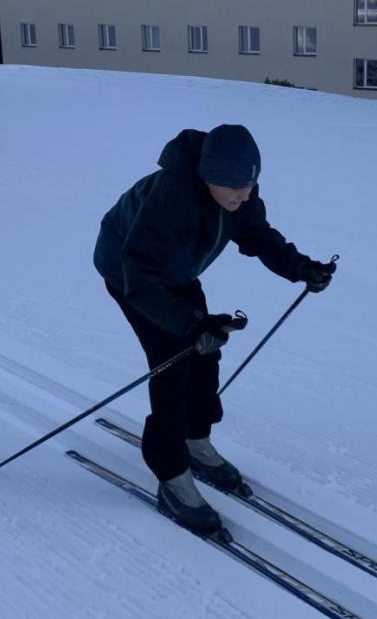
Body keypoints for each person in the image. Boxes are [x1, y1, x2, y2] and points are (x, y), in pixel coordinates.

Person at [94, 124, 336, 535]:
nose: (244, 197)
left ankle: (195, 438)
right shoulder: (170, 198)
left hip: (178, 269)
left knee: (206, 351)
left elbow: (258, 235)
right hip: (132, 274)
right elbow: (141, 275)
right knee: (173, 362)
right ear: (208, 177)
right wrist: (188, 326)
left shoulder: (238, 193)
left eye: (250, 186)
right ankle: (170, 475)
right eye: (235, 189)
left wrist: (300, 267)